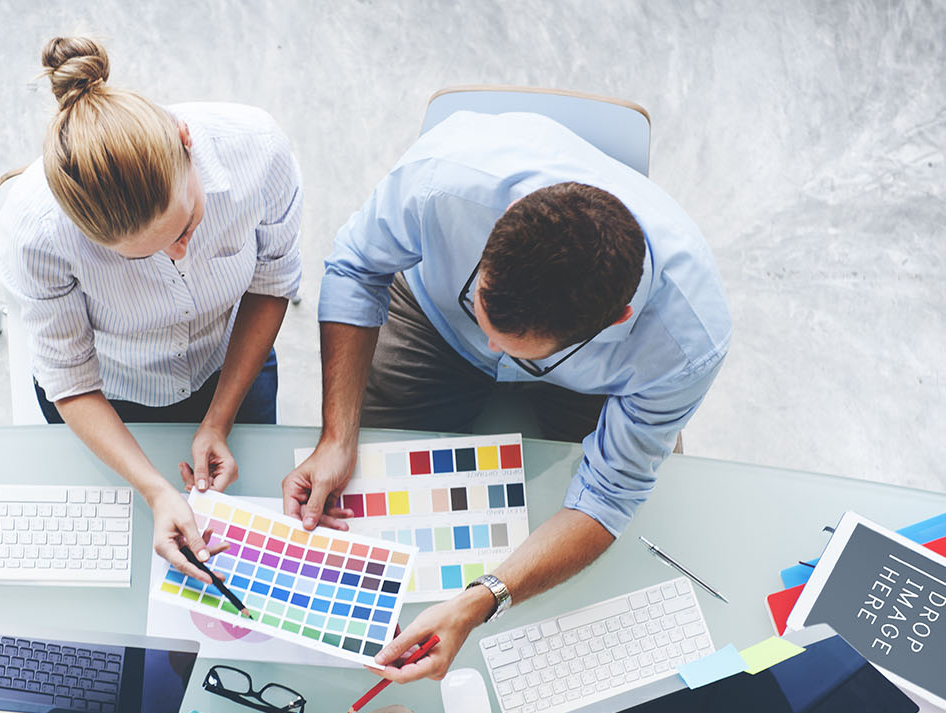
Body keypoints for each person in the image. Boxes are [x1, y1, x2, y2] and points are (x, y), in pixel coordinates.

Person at [284, 109, 731, 683]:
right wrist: (337, 436)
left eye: (514, 344)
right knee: (367, 477)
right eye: (485, 308)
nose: (489, 346)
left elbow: (607, 498)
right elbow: (355, 267)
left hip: (593, 388)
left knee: (580, 569)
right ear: (497, 230)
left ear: (616, 320)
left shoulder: (688, 343)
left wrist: (481, 599)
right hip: (432, 319)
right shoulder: (442, 180)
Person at [0, 36, 302, 581]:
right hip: (108, 395)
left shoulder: (260, 151)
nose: (179, 254)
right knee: (123, 561)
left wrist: (219, 417)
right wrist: (156, 489)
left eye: (185, 228)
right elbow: (69, 379)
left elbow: (271, 280)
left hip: (231, 362)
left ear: (186, 142)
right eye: (142, 256)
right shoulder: (35, 232)